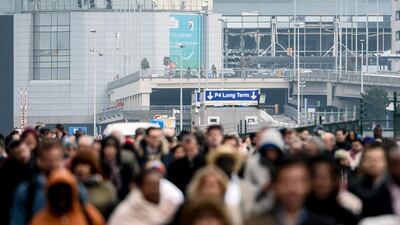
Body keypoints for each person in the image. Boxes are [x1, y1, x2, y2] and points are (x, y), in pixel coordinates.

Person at [10, 138, 88, 225]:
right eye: (48, 160)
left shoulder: (77, 190)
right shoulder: (26, 191)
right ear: (39, 162)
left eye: (56, 159)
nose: (53, 164)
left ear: (63, 161)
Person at [245, 157, 335, 225]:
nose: (292, 188)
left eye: (298, 181)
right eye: (285, 181)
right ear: (275, 186)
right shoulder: (256, 222)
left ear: (308, 185)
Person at [108, 168, 184, 225]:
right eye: (148, 184)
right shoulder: (130, 205)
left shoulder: (174, 198)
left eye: (156, 184)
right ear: (140, 187)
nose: (153, 189)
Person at [30, 169, 105, 225]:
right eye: (57, 191)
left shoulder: (88, 214)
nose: (61, 194)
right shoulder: (39, 220)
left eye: (65, 190)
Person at [306, 156, 359, 225]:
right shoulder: (297, 213)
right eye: (314, 177)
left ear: (334, 180)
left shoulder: (347, 216)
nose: (319, 183)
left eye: (324, 177)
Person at [70, 150, 118, 218]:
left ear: (92, 166)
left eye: (85, 164)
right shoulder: (69, 186)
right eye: (77, 164)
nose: (81, 168)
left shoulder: (106, 187)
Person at [349, 143, 388, 217]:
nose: (373, 163)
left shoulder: (393, 186)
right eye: (369, 159)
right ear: (362, 162)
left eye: (378, 159)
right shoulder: (354, 186)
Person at [0, 140, 34, 225]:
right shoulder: (8, 166)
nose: (22, 155)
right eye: (18, 153)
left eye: (22, 151)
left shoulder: (37, 163)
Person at [100, 136, 135, 200]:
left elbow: (131, 186)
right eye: (107, 147)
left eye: (113, 147)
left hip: (123, 201)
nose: (110, 150)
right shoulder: (98, 167)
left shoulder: (125, 167)